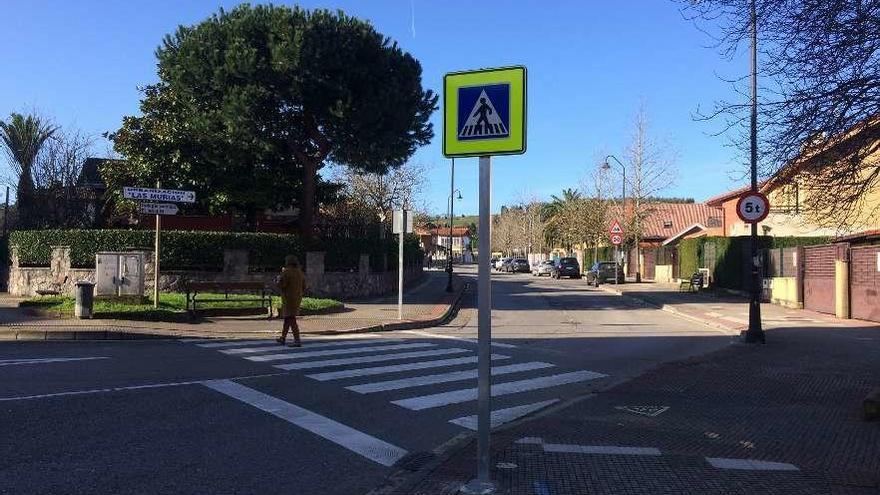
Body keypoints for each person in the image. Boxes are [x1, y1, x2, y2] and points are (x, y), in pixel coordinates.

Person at [277, 255, 306, 346]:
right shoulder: (299, 272)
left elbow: (283, 284)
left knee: (291, 318)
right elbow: (304, 286)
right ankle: (283, 338)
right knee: (287, 318)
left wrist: (279, 279)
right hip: (297, 297)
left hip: (288, 298)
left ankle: (297, 340)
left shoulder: (286, 272)